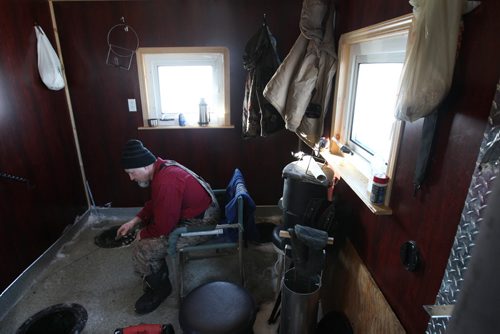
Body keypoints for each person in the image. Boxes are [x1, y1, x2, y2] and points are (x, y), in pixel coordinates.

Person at [116, 139, 220, 314]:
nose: (131, 178)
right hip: (202, 212)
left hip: (203, 224)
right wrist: (135, 221)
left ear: (144, 166)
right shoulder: (162, 167)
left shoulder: (166, 181)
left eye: (132, 173)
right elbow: (157, 203)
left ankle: (160, 290)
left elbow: (163, 227)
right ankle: (156, 277)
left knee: (143, 249)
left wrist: (143, 233)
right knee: (149, 229)